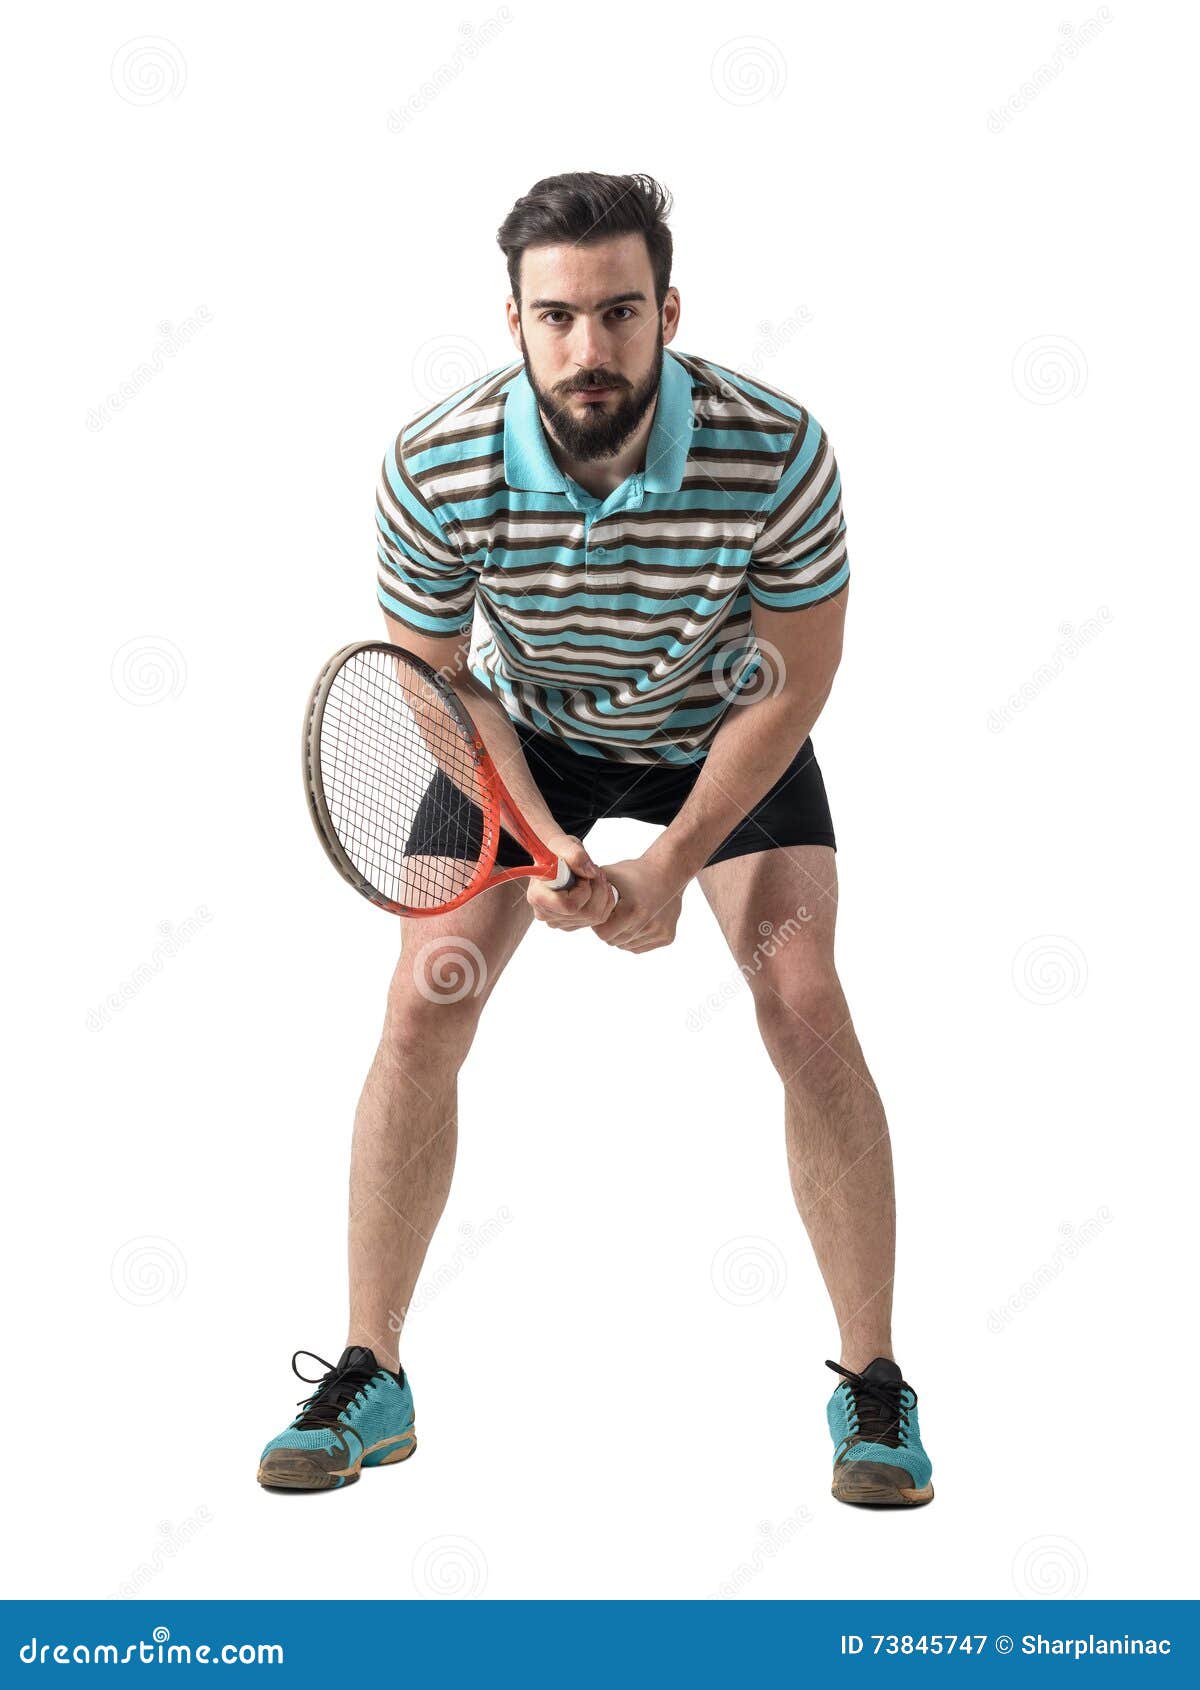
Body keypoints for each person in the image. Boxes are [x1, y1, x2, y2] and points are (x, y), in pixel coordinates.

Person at [258, 171, 933, 1508]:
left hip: (723, 727)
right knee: (420, 1008)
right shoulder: (433, 462)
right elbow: (433, 679)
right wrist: (542, 835)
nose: (589, 347)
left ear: (667, 309)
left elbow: (797, 676)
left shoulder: (777, 447)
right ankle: (370, 1371)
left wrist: (673, 859)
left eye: (620, 312)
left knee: (802, 1001)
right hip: (524, 733)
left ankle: (874, 1383)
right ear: (511, 318)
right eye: (557, 316)